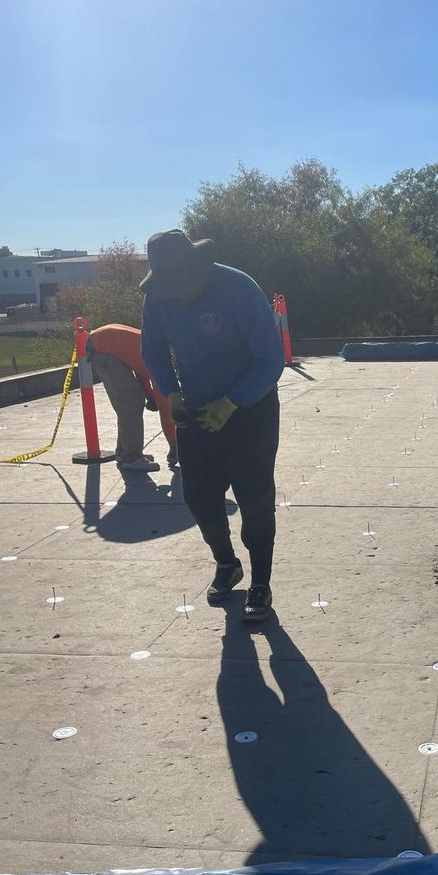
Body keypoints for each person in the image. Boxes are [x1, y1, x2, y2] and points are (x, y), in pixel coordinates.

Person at [140, 230, 284, 623]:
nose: (180, 295)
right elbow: (151, 349)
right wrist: (170, 392)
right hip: (197, 407)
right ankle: (226, 563)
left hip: (251, 408)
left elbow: (271, 359)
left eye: (183, 286)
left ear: (198, 267)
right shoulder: (158, 298)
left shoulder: (238, 288)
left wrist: (233, 401)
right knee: (199, 496)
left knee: (254, 498)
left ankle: (261, 583)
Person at [87, 323, 177, 472]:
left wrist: (150, 396)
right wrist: (174, 445)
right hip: (104, 349)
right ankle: (132, 457)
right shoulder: (161, 359)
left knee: (131, 402)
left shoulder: (157, 347)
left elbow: (141, 373)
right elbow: (165, 407)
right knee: (131, 404)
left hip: (103, 343)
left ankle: (125, 453)